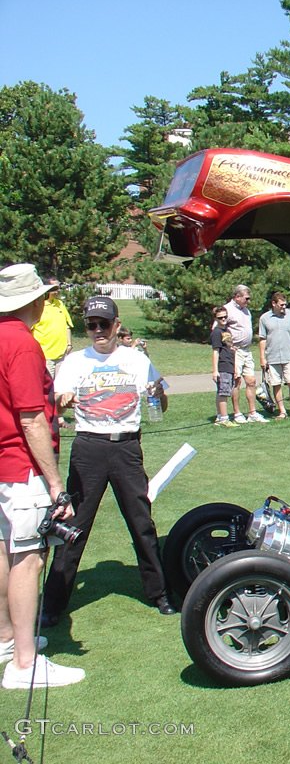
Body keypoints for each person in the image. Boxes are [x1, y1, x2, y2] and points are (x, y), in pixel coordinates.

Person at [41, 296, 175, 627]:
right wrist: (62, 400)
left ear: (117, 325)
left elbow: (162, 403)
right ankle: (53, 604)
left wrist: (157, 393)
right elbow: (55, 405)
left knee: (141, 522)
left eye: (104, 324)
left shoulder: (136, 359)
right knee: (73, 526)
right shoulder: (73, 362)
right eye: (91, 325)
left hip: (127, 447)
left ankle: (159, 593)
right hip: (89, 448)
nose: (98, 331)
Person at [0, 263, 84, 688]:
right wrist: (54, 483)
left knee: (3, 550)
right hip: (19, 466)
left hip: (1, 465)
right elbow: (31, 418)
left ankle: (6, 638)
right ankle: (25, 664)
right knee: (28, 559)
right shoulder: (21, 343)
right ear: (33, 299)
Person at [223, 285, 267, 424]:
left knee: (251, 381)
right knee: (236, 381)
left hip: (246, 350)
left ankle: (252, 412)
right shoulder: (227, 310)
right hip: (234, 351)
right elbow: (220, 330)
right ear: (237, 296)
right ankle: (237, 413)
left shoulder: (246, 311)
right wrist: (230, 346)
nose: (248, 301)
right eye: (246, 298)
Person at [258, 292, 290, 420]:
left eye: (285, 304)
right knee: (276, 384)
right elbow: (262, 339)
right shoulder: (264, 318)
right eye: (281, 305)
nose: (284, 307)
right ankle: (282, 411)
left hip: (289, 355)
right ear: (274, 304)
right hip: (272, 357)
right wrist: (262, 357)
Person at [30, 276, 73, 379]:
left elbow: (67, 326)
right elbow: (29, 330)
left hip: (62, 354)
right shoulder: (38, 306)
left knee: (61, 385)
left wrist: (69, 344)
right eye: (54, 288)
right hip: (45, 355)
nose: (57, 291)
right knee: (48, 388)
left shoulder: (60, 304)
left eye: (58, 288)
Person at [210, 306, 238, 427]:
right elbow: (215, 351)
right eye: (220, 318)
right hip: (223, 365)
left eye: (225, 317)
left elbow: (228, 346)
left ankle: (220, 415)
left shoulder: (226, 330)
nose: (223, 319)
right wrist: (215, 370)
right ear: (216, 319)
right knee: (224, 392)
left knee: (223, 391)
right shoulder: (216, 332)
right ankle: (224, 418)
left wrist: (232, 349)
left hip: (230, 363)